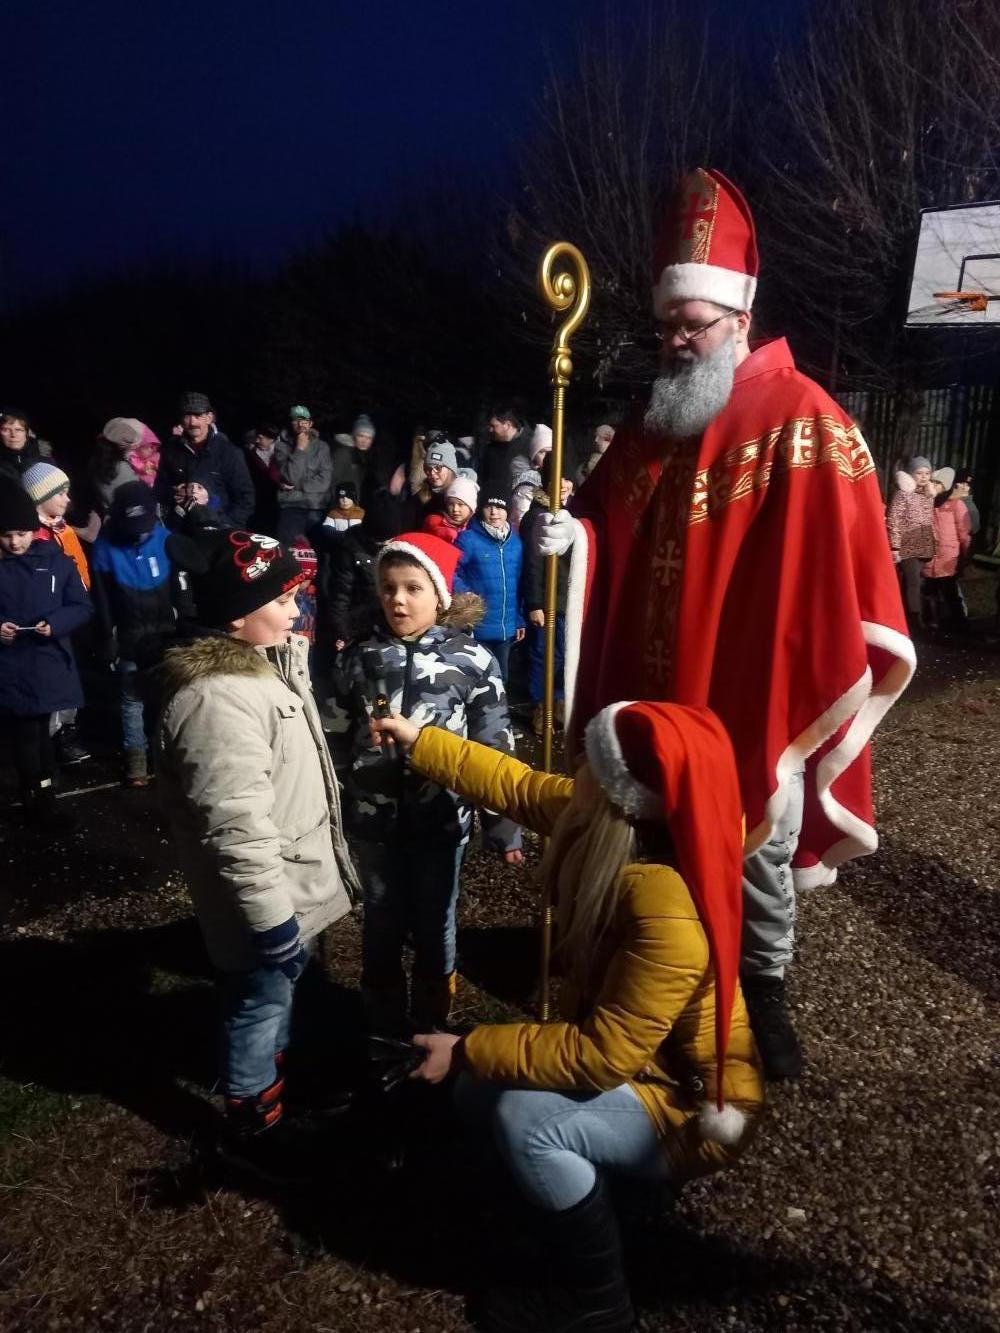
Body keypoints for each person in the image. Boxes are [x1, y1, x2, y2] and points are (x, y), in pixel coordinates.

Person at [538, 167, 913, 1081]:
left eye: (693, 326)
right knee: (649, 829)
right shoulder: (652, 420)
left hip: (748, 678)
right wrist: (572, 534)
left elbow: (834, 564)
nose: (675, 341)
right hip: (656, 680)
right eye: (667, 325)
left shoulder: (802, 415)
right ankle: (650, 974)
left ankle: (763, 988)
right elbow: (606, 517)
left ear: (741, 316)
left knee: (755, 840)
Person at [372, 700, 763, 1333]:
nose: (577, 760)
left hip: (689, 1104)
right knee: (478, 1093)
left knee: (525, 1120)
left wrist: (467, 1047)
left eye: (592, 757)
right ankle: (556, 1210)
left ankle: (597, 1300)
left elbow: (603, 1056)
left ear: (621, 792)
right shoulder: (608, 818)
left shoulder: (668, 909)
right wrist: (420, 741)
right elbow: (516, 785)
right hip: (640, 1069)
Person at [154, 529, 360, 1182]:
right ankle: (252, 1123)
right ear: (237, 615)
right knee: (257, 1003)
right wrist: (271, 922)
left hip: (285, 888)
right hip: (262, 901)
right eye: (284, 599)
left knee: (276, 997)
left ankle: (282, 1086)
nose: (299, 610)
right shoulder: (216, 699)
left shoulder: (259, 668)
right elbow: (237, 829)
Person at [323, 531, 522, 1035]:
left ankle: (432, 1023)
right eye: (388, 587)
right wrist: (332, 804)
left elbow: (492, 746)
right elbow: (335, 735)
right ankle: (383, 1022)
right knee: (381, 916)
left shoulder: (472, 661)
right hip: (373, 820)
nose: (398, 600)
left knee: (436, 918)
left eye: (413, 588)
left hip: (441, 818)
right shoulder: (359, 657)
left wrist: (503, 824)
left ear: (440, 595)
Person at [0, 484, 92, 828]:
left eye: (21, 533)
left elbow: (81, 605)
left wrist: (55, 624)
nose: (14, 542)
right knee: (27, 735)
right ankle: (37, 799)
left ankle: (43, 794)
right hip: (11, 666)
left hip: (45, 662)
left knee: (42, 733)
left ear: (32, 530)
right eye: (6, 535)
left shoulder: (55, 561)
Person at [91, 483, 177, 786]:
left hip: (166, 633)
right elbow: (101, 600)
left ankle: (166, 757)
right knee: (133, 700)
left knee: (168, 697)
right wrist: (107, 637)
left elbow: (180, 588)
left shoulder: (165, 539)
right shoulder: (104, 548)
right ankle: (136, 762)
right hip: (129, 636)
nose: (139, 533)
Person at [22, 462, 94, 764]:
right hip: (46, 619)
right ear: (41, 497)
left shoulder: (64, 530)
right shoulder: (30, 536)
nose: (67, 499)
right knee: (49, 680)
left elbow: (80, 570)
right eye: (60, 493)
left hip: (71, 613)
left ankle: (65, 731)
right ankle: (47, 741)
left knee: (67, 676)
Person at [521, 458, 573, 736]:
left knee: (563, 655)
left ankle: (559, 705)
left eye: (567, 478)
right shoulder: (537, 516)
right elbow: (532, 564)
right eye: (557, 479)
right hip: (546, 600)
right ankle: (541, 709)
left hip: (565, 600)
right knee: (544, 655)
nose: (563, 485)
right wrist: (535, 603)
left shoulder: (570, 513)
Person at [155, 392, 254, 531]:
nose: (192, 422)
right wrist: (175, 494)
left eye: (198, 415)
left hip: (218, 530)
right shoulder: (170, 449)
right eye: (187, 416)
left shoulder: (229, 452)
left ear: (209, 418)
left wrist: (226, 525)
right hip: (181, 531)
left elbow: (245, 498)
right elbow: (159, 488)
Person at [320, 489, 402, 653]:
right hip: (359, 624)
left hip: (390, 622)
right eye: (383, 541)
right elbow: (340, 594)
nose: (387, 544)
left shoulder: (399, 546)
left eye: (390, 540)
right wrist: (343, 633)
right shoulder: (350, 548)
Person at [455, 493, 525, 681]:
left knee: (501, 678)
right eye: (489, 507)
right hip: (477, 626)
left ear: (507, 511)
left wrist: (519, 620)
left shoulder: (516, 543)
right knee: (476, 678)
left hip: (505, 628)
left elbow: (518, 584)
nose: (494, 512)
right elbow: (452, 572)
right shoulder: (468, 539)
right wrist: (467, 597)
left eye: (500, 507)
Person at [886, 457, 935, 631]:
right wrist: (895, 546)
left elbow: (928, 520)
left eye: (927, 473)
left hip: (923, 543)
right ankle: (915, 619)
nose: (924, 477)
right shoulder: (903, 494)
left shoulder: (928, 494)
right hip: (907, 542)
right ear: (911, 474)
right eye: (919, 473)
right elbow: (893, 520)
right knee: (913, 582)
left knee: (914, 581)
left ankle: (904, 617)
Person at [274, 406, 334, 544]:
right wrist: (299, 449)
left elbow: (324, 481)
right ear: (291, 423)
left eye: (304, 420)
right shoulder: (281, 447)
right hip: (291, 505)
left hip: (316, 506)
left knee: (323, 544)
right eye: (296, 420)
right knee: (286, 546)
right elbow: (290, 478)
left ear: (310, 423)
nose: (301, 424)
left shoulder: (322, 447)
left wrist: (297, 485)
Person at [923, 467, 971, 632]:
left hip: (947, 556)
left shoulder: (957, 505)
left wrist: (965, 552)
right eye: (933, 482)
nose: (934, 486)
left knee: (949, 590)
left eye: (938, 483)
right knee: (930, 590)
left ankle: (959, 622)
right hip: (931, 554)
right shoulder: (929, 502)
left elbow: (964, 532)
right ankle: (933, 621)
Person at [90, 418, 160, 514]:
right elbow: (139, 507)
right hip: (129, 518)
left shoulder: (97, 461)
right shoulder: (124, 472)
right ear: (131, 447)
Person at [479, 407, 531, 504]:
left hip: (522, 500)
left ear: (507, 425)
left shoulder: (530, 445)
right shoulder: (490, 448)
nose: (490, 430)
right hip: (494, 502)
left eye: (494, 426)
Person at [0, 408, 53, 488]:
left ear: (27, 433)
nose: (13, 435)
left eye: (19, 430)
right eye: (6, 430)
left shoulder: (43, 453)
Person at [244, 424, 281, 535]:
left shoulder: (282, 452)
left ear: (271, 439)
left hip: (281, 499)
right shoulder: (250, 453)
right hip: (259, 499)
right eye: (256, 437)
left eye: (261, 438)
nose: (257, 440)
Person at [423, 473, 478, 544]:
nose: (455, 509)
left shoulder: (476, 529)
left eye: (460, 504)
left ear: (471, 507)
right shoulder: (434, 522)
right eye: (451, 504)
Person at [952, 468, 980, 537]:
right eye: (962, 483)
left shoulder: (971, 509)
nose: (964, 487)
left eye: (968, 485)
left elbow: (974, 530)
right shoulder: (946, 501)